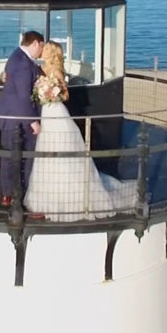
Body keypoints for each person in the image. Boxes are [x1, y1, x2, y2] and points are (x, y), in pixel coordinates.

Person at [24, 41, 138, 221]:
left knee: (62, 150)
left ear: (51, 53)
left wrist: (52, 93)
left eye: (45, 49)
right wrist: (41, 93)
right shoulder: (42, 68)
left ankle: (69, 199)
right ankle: (46, 197)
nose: (42, 52)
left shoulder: (57, 71)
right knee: (46, 153)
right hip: (46, 113)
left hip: (56, 111)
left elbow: (65, 94)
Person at [0, 30, 44, 207]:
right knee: (20, 156)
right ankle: (16, 193)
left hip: (12, 116)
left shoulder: (17, 57)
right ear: (36, 43)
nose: (42, 51)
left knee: (10, 156)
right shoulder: (23, 63)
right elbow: (24, 96)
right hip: (19, 119)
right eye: (41, 46)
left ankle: (10, 193)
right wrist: (33, 121)